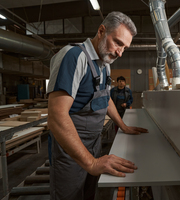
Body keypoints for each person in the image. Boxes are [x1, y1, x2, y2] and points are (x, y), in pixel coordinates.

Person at [47, 11, 148, 200]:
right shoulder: (74, 57)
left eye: (124, 47)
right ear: (101, 31)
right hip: (70, 149)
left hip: (93, 144)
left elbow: (105, 98)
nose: (120, 52)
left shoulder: (104, 64)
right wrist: (92, 163)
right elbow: (56, 116)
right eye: (118, 43)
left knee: (87, 194)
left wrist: (122, 125)